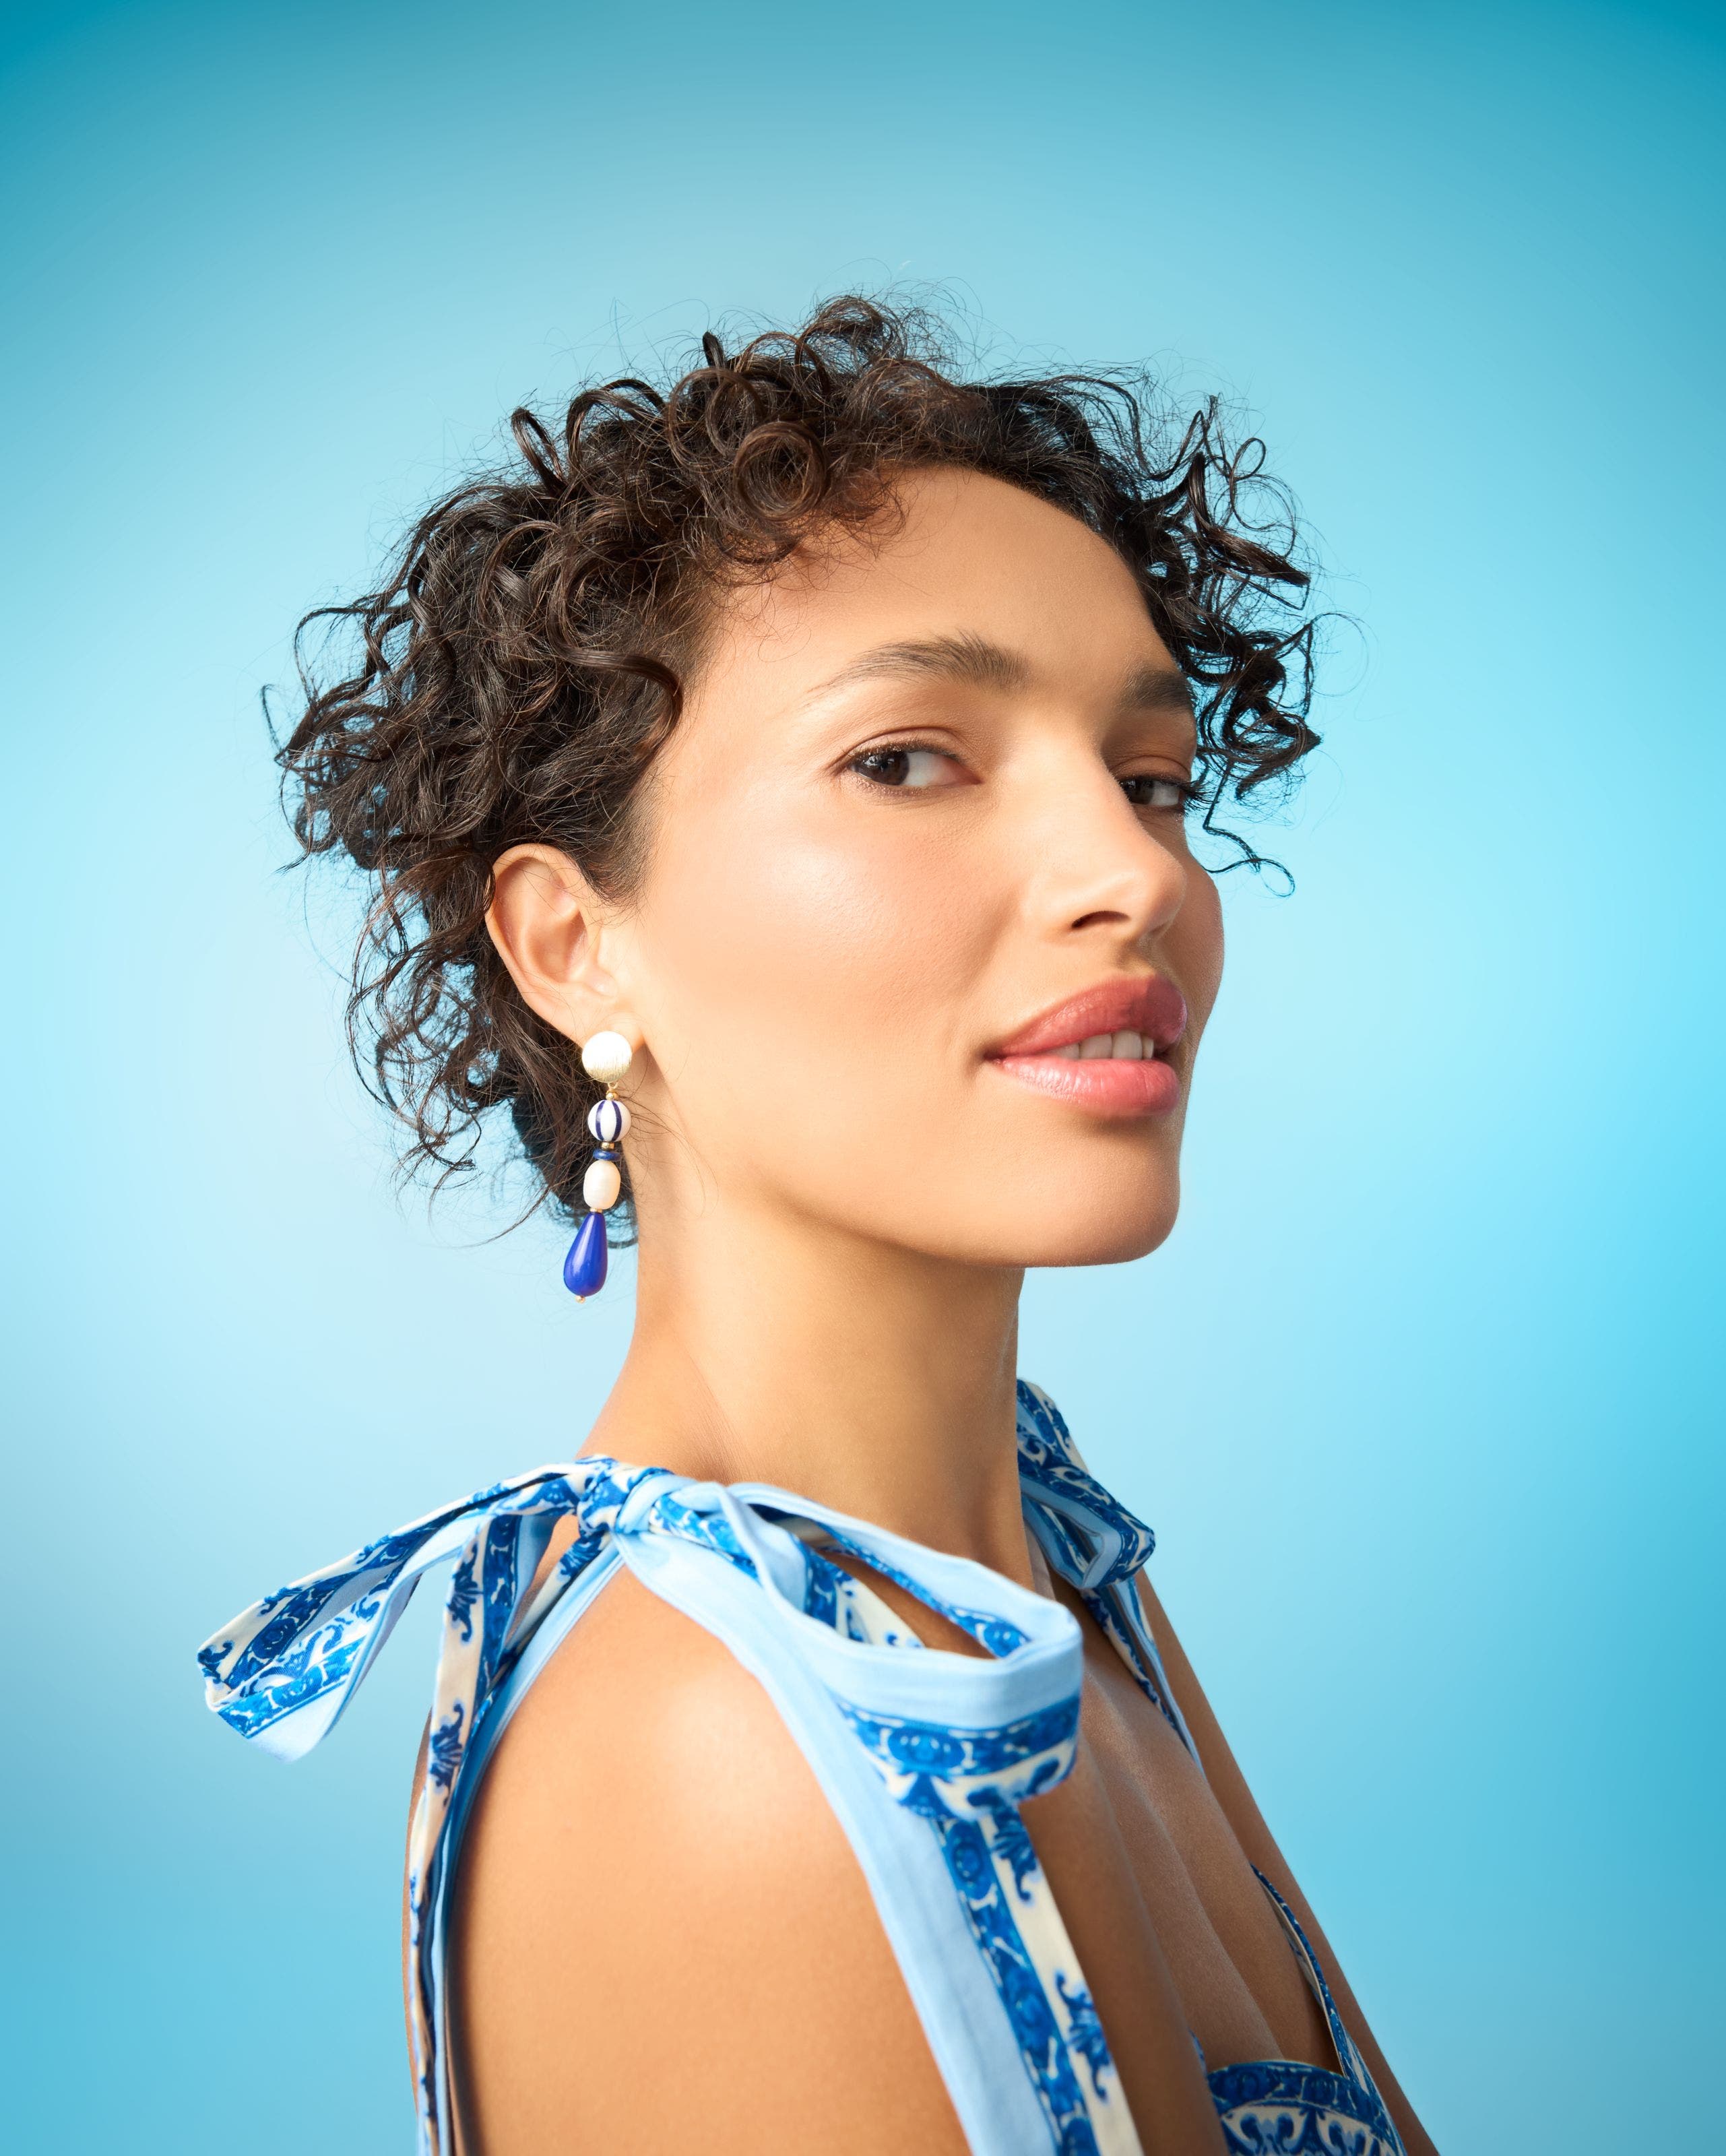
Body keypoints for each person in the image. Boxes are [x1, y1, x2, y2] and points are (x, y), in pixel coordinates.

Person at [199, 297, 1436, 2156]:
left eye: (1151, 778)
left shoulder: (1048, 1565)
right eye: (908, 759)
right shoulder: (739, 1751)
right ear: (575, 945)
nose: (1132, 874)